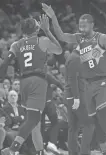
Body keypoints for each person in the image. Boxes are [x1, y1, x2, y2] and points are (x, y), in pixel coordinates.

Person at [42, 3, 106, 154]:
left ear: (92, 25)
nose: (81, 28)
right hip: (88, 86)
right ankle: (104, 149)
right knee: (94, 121)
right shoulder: (79, 41)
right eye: (80, 25)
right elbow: (61, 36)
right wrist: (53, 17)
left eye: (85, 25)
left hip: (104, 81)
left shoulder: (102, 38)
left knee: (102, 117)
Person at [0, 14, 62, 155]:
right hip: (37, 81)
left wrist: (1, 76)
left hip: (24, 82)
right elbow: (59, 50)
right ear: (36, 29)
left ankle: (39, 151)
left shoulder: (17, 44)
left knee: (34, 122)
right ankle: (13, 149)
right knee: (33, 119)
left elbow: (5, 62)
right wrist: (47, 30)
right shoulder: (42, 40)